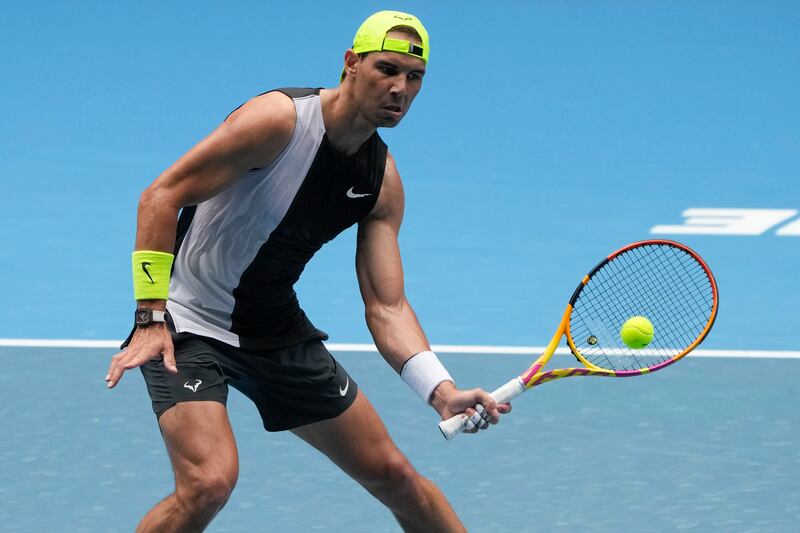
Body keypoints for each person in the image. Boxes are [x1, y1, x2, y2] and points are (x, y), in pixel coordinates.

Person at [106, 10, 510, 532]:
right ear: (350, 63)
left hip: (275, 332)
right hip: (185, 321)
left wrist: (441, 391)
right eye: (387, 70)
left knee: (396, 477)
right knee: (208, 482)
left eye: (414, 78)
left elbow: (387, 307)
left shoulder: (381, 182)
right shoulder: (277, 121)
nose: (400, 89)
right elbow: (160, 197)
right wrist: (150, 317)